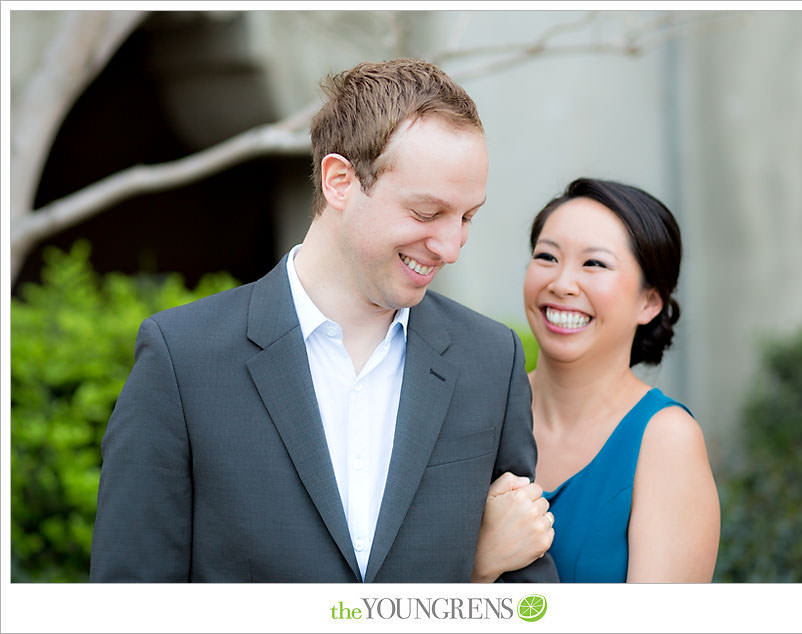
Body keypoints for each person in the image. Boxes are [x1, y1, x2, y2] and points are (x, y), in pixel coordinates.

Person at [90, 58, 558, 583]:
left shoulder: (490, 359)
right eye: (427, 213)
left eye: (467, 216)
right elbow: (129, 593)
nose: (451, 247)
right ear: (339, 181)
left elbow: (526, 588)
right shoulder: (183, 358)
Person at [471, 178, 720, 583]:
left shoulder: (665, 440)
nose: (561, 284)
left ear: (649, 301)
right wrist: (482, 564)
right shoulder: (476, 409)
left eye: (594, 264)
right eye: (547, 257)